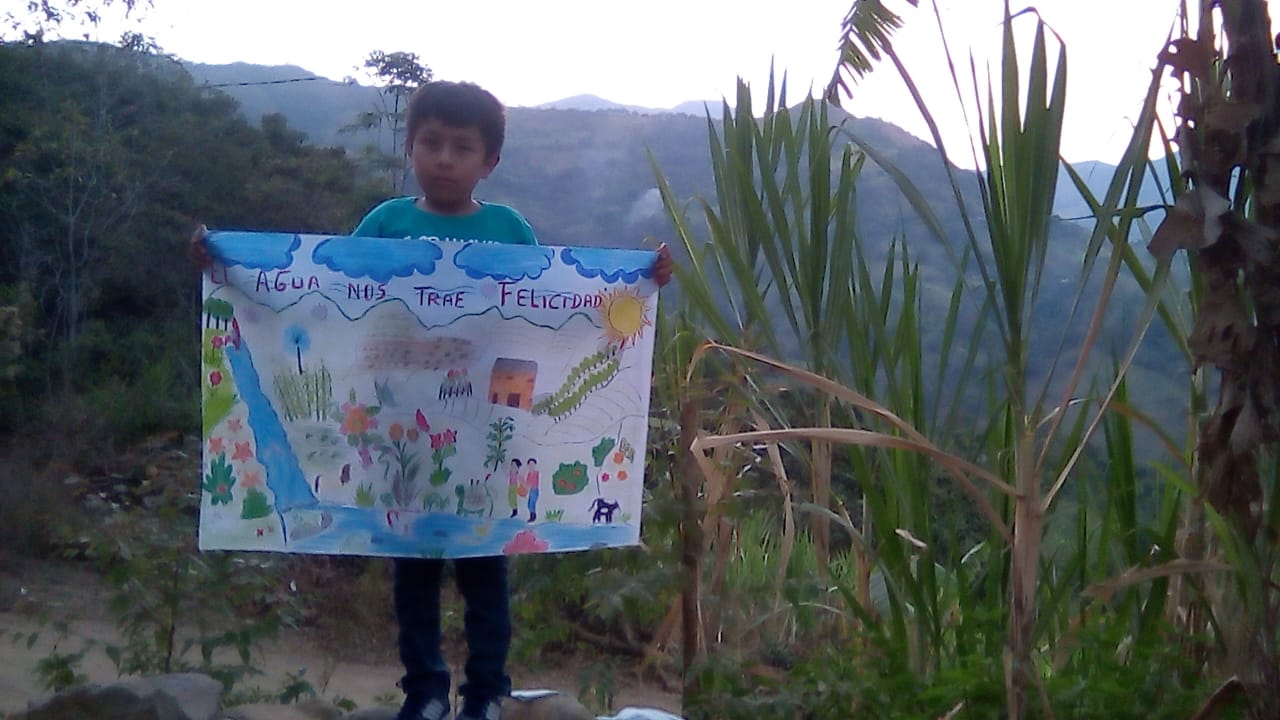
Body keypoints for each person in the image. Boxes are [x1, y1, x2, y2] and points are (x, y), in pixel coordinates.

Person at [192, 80, 673, 720]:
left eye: (462, 147)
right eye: (432, 142)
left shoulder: (508, 229)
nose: (444, 158)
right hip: (398, 439)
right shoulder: (384, 225)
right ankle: (424, 693)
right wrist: (224, 264)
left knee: (486, 572)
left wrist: (640, 282)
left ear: (489, 161)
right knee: (411, 575)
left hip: (487, 442)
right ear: (410, 147)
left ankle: (486, 693)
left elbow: (552, 305)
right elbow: (324, 292)